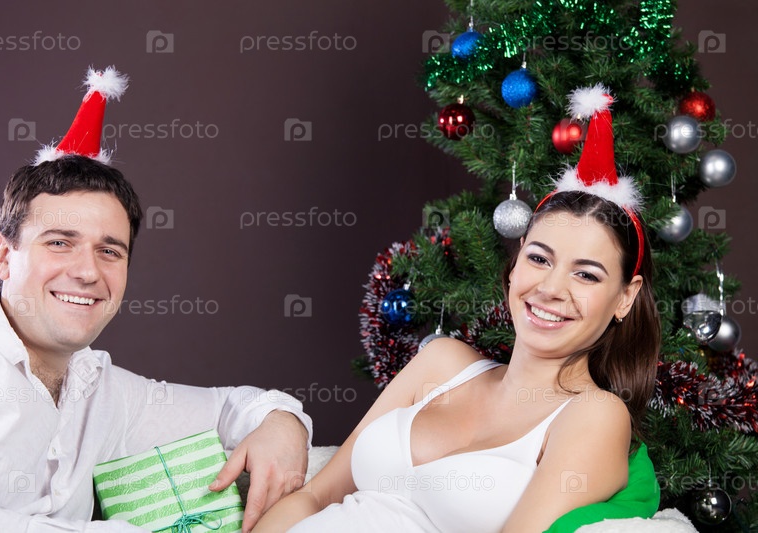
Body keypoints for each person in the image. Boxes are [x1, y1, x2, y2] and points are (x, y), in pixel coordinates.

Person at [253, 85, 661, 533]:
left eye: (586, 274)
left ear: (625, 296)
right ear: (516, 262)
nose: (549, 288)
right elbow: (315, 496)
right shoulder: (442, 363)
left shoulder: (595, 415)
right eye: (539, 259)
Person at [0, 68, 312, 533]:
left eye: (109, 251)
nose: (87, 272)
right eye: (60, 243)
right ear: (5, 257)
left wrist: (284, 425)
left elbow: (233, 407)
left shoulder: (101, 387)